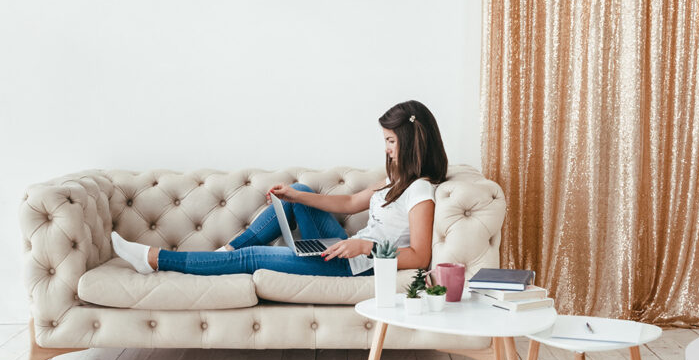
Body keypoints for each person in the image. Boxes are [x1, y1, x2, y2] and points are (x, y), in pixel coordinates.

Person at [111, 100, 448, 278]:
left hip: (359, 265)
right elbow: (349, 202)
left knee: (253, 258)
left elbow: (420, 256)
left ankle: (155, 259)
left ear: (412, 141)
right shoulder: (396, 180)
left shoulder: (420, 191)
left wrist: (363, 247)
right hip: (349, 251)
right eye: (385, 141)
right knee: (297, 189)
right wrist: (295, 196)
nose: (387, 149)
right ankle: (225, 252)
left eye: (391, 141)